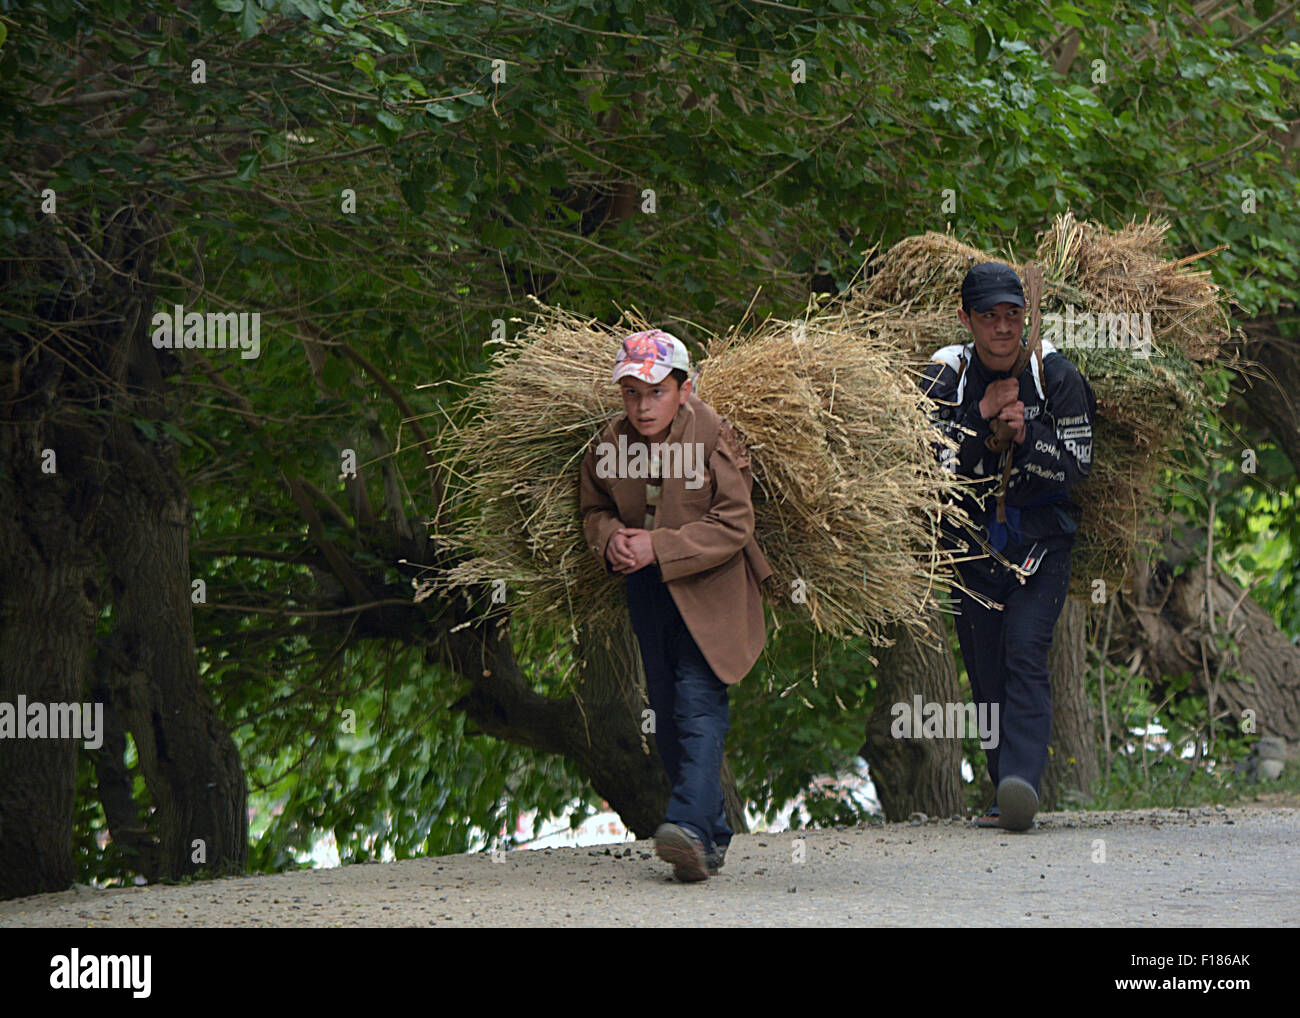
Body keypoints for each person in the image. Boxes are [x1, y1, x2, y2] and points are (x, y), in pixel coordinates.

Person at [580, 329, 772, 881]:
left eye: (656, 392)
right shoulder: (611, 444)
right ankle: (707, 842)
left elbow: (735, 523)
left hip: (711, 592)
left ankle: (687, 824)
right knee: (665, 714)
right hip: (648, 592)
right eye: (631, 394)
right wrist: (610, 536)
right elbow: (592, 507)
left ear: (684, 390)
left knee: (696, 701)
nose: (643, 406)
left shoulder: (716, 436)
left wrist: (658, 545)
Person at [919, 262, 1096, 831]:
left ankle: (1023, 781)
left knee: (1025, 651)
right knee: (986, 668)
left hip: (1042, 543)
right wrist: (983, 415)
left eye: (1012, 316)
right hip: (968, 546)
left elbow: (1078, 466)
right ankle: (1004, 791)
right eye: (989, 316)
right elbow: (923, 463)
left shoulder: (1056, 375)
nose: (1002, 327)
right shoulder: (944, 375)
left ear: (1027, 317)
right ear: (966, 318)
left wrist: (1027, 434)